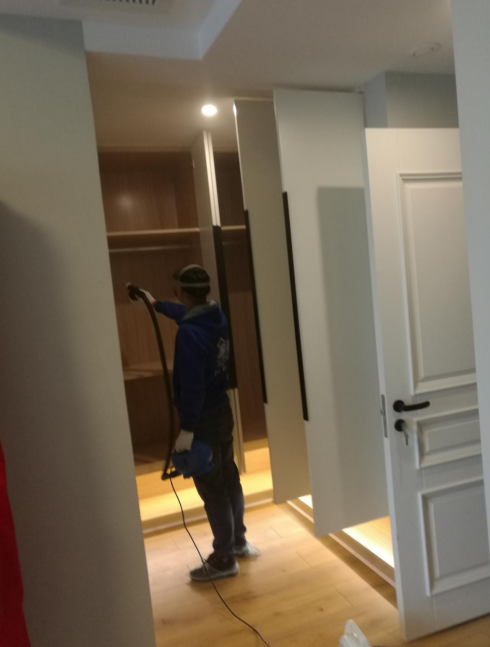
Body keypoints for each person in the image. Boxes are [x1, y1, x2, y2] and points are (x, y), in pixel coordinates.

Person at [138, 265, 259, 582]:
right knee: (229, 478)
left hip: (203, 420)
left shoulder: (189, 335)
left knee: (213, 489)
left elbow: (193, 388)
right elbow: (186, 313)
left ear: (181, 291)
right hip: (222, 412)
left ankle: (224, 558)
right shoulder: (215, 317)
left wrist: (187, 430)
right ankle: (238, 541)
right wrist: (156, 304)